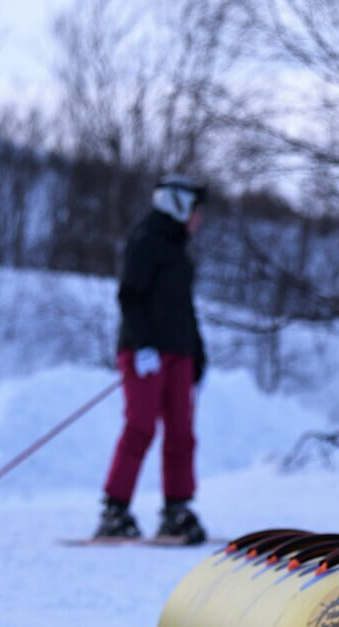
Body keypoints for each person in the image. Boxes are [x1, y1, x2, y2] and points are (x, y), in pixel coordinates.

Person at [96, 173, 210, 543]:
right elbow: (129, 297)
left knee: (181, 432)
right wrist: (143, 345)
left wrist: (197, 354)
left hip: (179, 353)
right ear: (177, 204)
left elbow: (184, 308)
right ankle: (115, 509)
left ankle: (176, 510)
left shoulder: (179, 250)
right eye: (196, 210)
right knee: (140, 427)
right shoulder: (146, 240)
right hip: (145, 353)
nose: (199, 219)